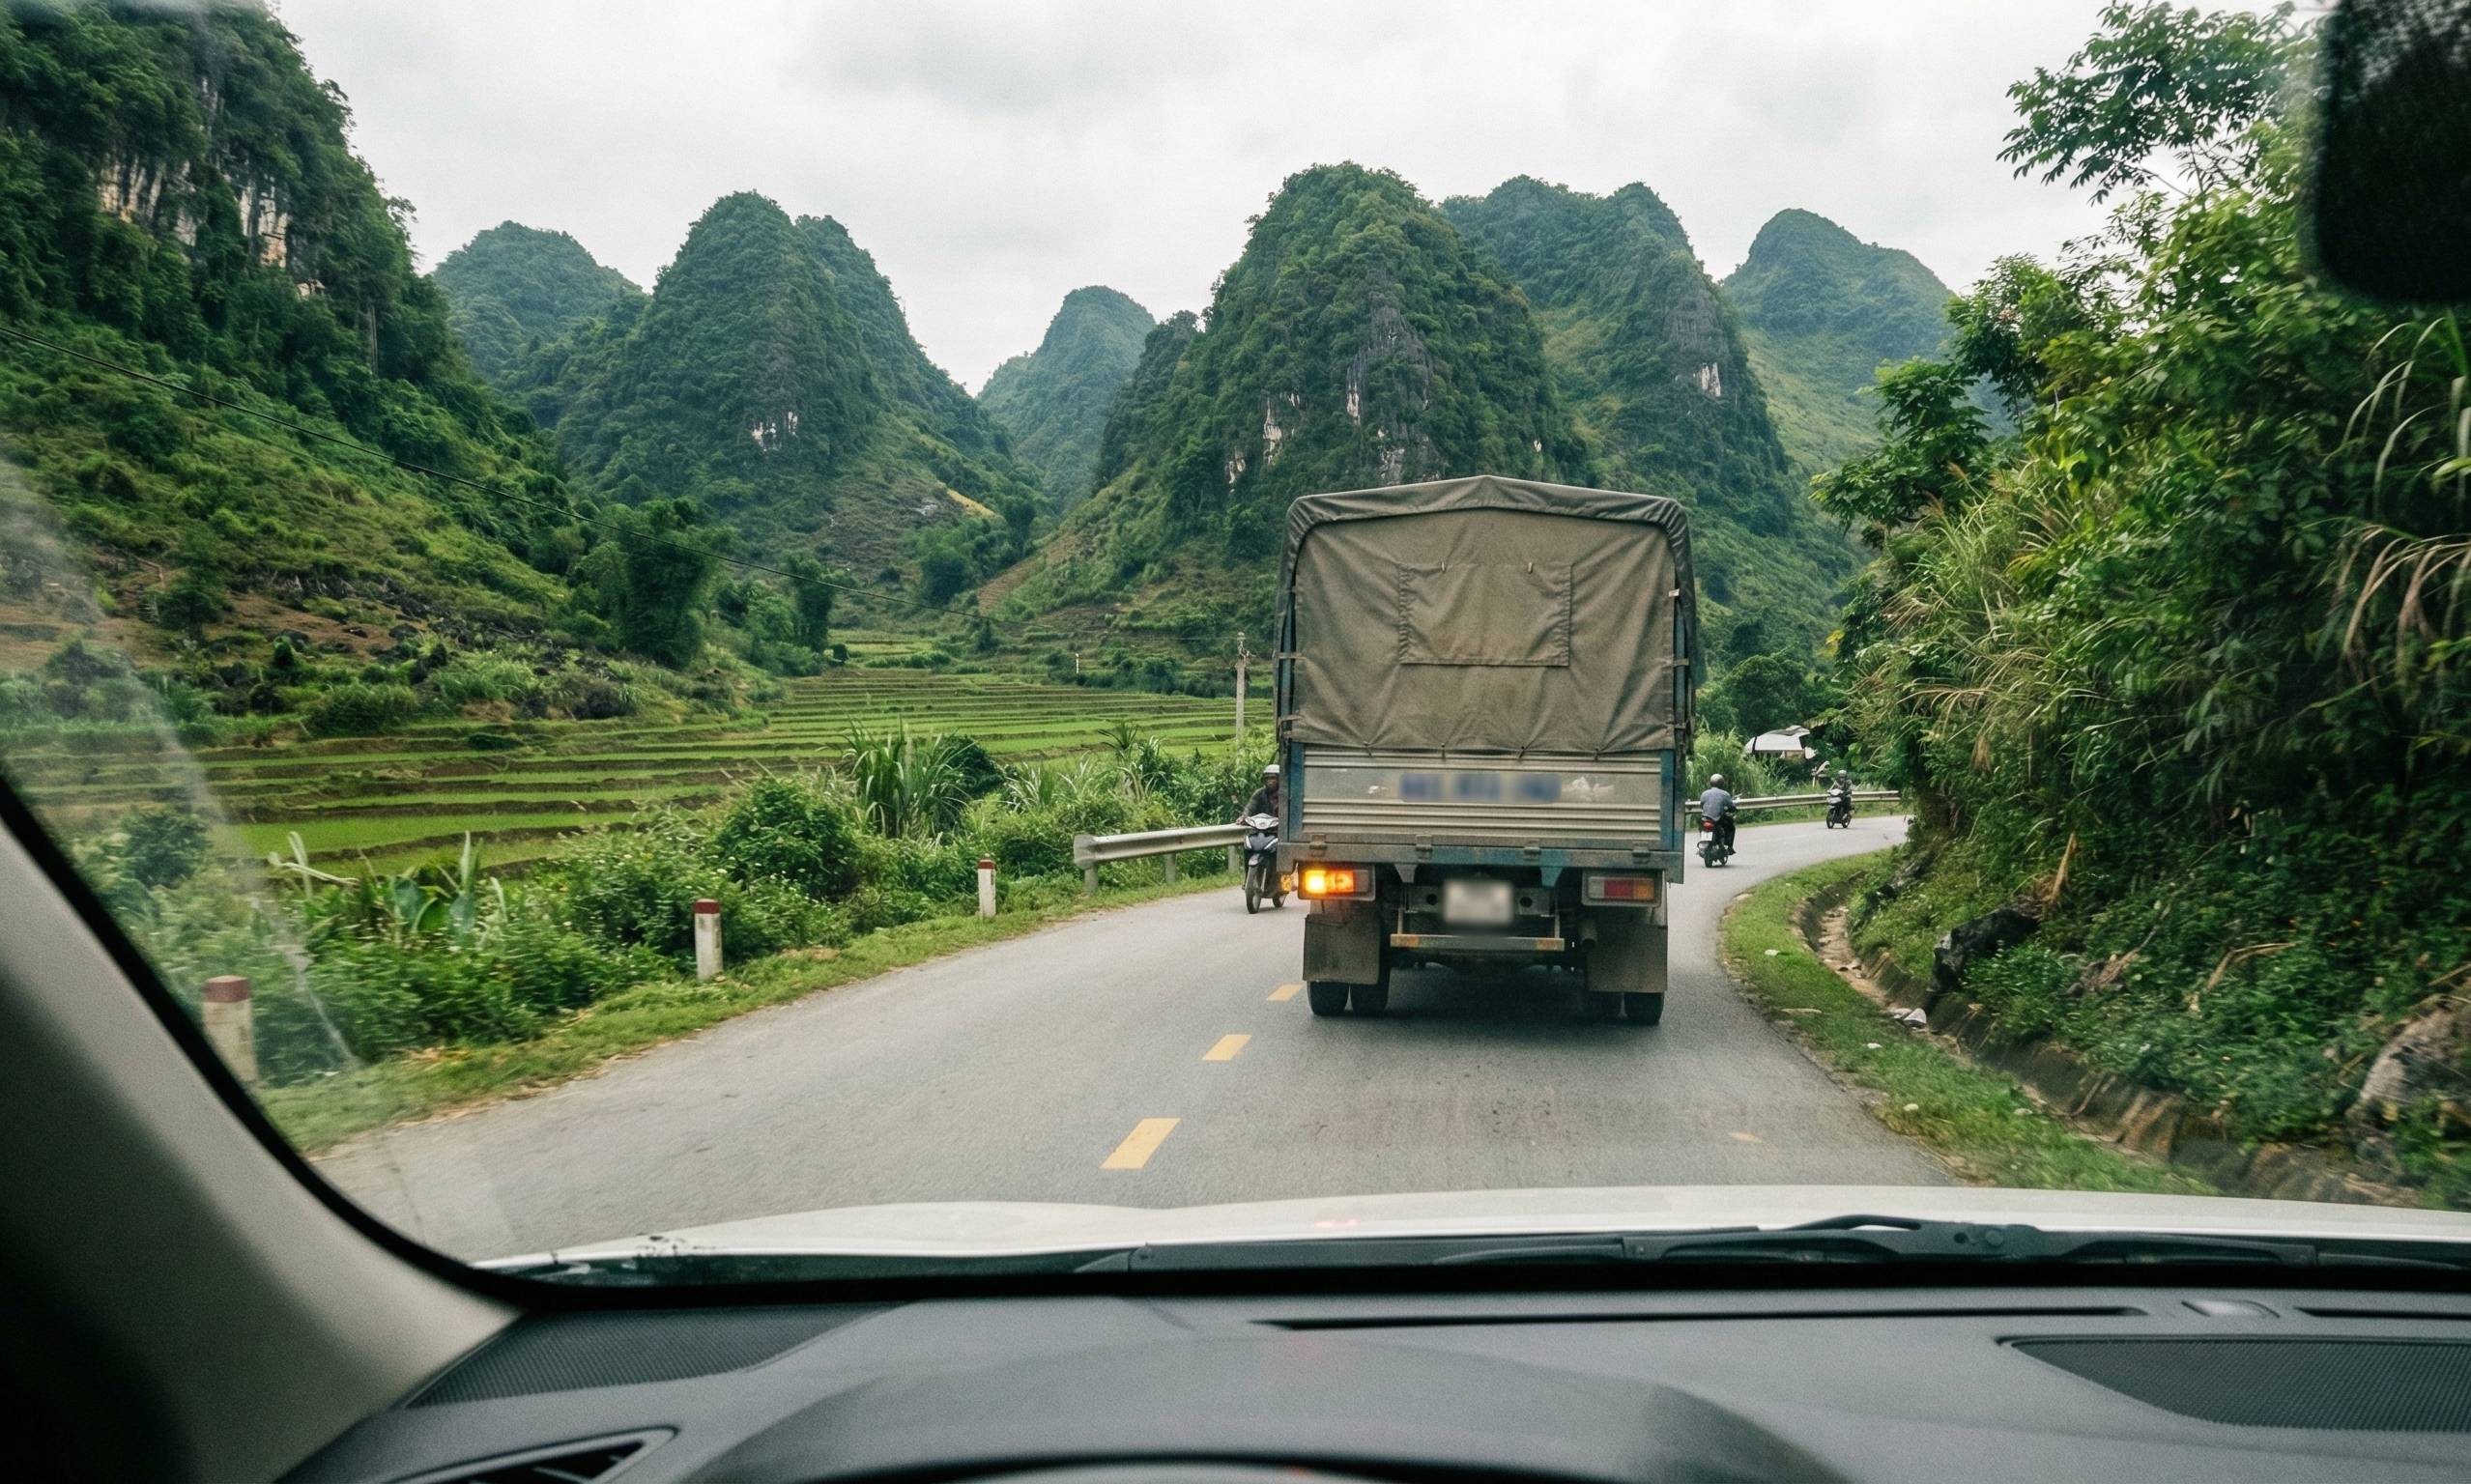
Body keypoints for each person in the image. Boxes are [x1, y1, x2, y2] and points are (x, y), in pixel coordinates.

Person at [1699, 772, 1737, 853]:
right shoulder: (1725, 794)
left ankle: (1702, 844)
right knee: (1731, 825)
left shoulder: (1704, 793)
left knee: (1701, 826)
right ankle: (1729, 846)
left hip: (1705, 819)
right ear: (1721, 783)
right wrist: (1733, 809)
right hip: (1717, 819)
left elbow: (1701, 805)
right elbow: (1731, 807)